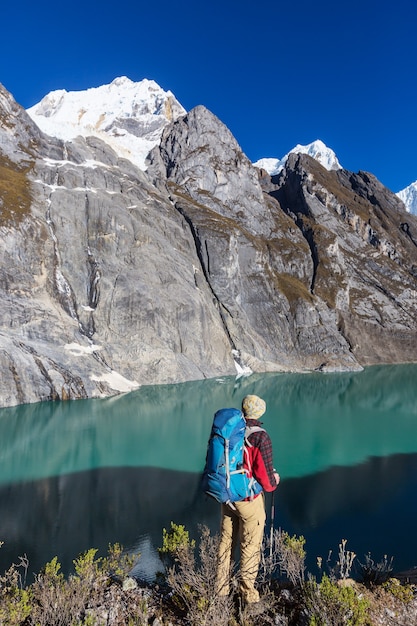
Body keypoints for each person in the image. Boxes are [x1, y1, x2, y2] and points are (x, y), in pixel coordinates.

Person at [216, 394, 280, 607]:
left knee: (226, 543)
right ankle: (248, 596)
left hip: (227, 497)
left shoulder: (231, 429)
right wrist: (275, 481)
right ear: (260, 412)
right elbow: (266, 479)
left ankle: (220, 590)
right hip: (248, 500)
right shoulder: (260, 437)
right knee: (250, 545)